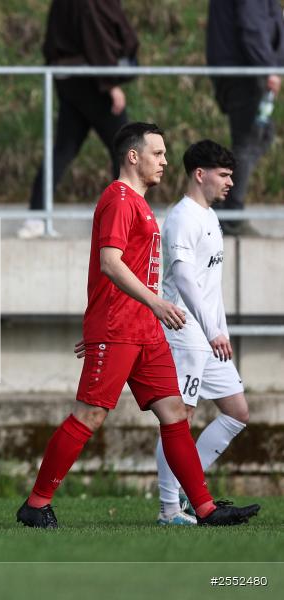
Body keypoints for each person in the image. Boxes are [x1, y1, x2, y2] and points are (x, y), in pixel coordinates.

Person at [15, 122, 260, 528]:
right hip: (120, 328)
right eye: (158, 153)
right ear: (134, 156)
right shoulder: (119, 199)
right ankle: (37, 503)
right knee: (89, 416)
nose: (165, 161)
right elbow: (110, 264)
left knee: (175, 413)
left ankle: (203, 508)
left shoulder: (142, 204)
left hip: (144, 330)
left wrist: (146, 311)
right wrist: (148, 306)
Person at [154, 140, 250, 525]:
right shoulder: (183, 218)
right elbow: (183, 279)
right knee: (178, 419)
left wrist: (218, 331)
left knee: (237, 412)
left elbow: (210, 287)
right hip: (185, 333)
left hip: (211, 336)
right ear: (200, 174)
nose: (230, 183)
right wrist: (210, 330)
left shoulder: (210, 217)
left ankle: (186, 490)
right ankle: (169, 509)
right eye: (223, 175)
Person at [18, 0, 138, 239]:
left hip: (69, 77)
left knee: (64, 147)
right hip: (91, 78)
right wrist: (109, 83)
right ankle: (123, 222)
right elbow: (95, 36)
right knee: (127, 150)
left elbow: (53, 41)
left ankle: (36, 216)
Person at [207, 0, 284, 236]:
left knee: (260, 136)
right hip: (246, 73)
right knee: (249, 140)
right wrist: (266, 66)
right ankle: (230, 214)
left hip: (242, 70)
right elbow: (252, 25)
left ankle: (225, 207)